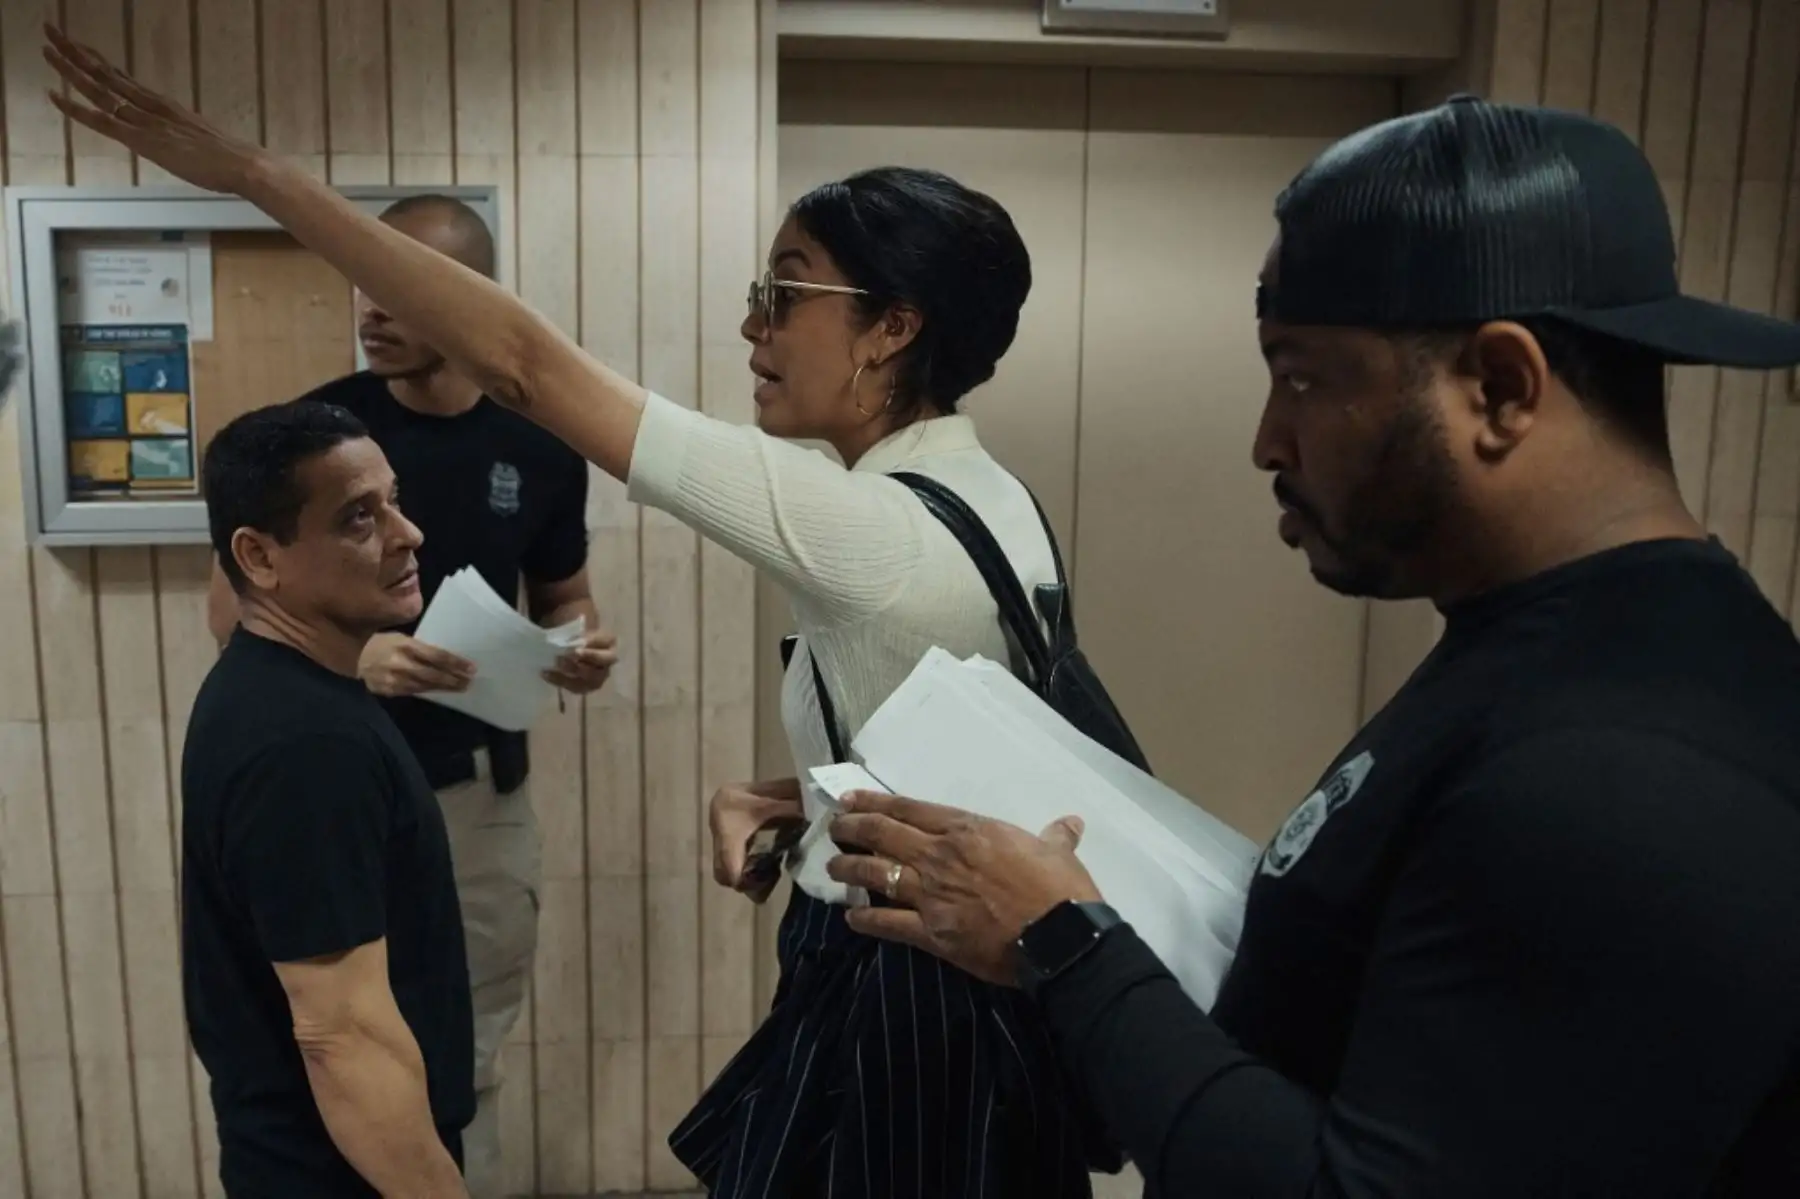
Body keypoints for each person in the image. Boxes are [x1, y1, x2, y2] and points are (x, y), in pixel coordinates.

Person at [42, 26, 1111, 1198]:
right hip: (976, 959)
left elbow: (524, 367)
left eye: (785, 290)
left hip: (916, 981)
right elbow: (960, 743)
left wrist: (261, 177)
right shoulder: (988, 498)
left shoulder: (861, 521)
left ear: (893, 328)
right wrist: (800, 795)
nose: (754, 326)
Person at [814, 95, 1800, 1197]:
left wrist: (1065, 941)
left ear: (1501, 388)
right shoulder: (1546, 641)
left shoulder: (1630, 764)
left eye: (1302, 376)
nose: (1266, 438)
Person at [201, 193, 616, 1197]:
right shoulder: (330, 433)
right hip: (343, 785)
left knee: (456, 1056)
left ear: (461, 299)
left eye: (393, 288)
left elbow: (568, 599)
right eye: (361, 286)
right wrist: (362, 665)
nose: (369, 309)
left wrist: (580, 649)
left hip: (474, 799)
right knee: (332, 1043)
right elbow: (233, 603)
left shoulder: (541, 444)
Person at [181, 401, 473, 1197]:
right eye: (357, 518)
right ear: (259, 556)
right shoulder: (304, 744)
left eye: (394, 500)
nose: (406, 533)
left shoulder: (280, 690)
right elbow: (342, 1036)